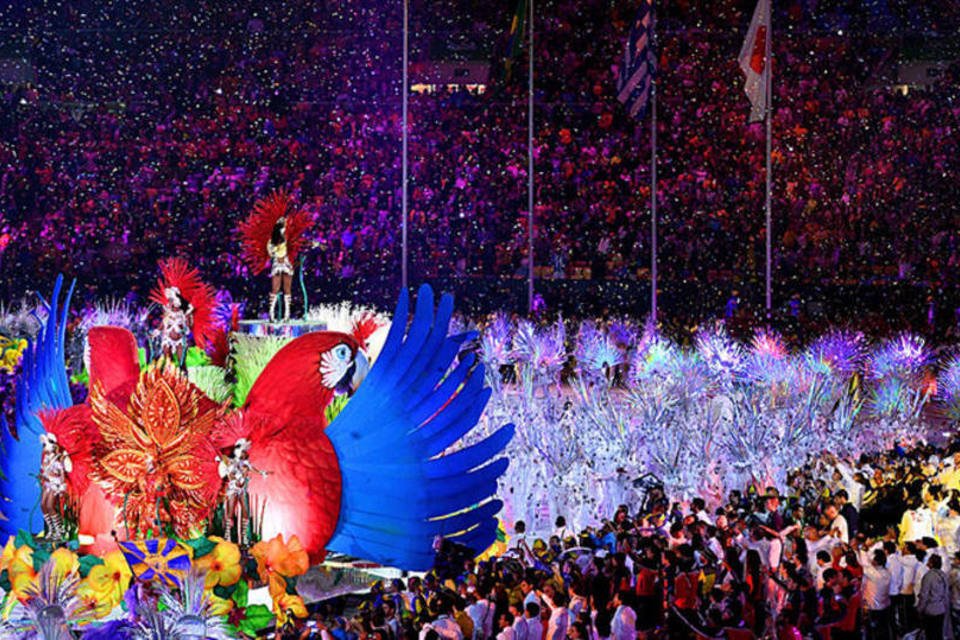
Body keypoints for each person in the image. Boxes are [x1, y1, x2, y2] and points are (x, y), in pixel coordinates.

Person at [217, 438, 268, 545]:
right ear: (238, 451)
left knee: (246, 512)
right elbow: (228, 474)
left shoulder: (245, 464)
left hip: (242, 491)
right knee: (230, 513)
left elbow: (253, 468)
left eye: (245, 451)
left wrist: (261, 473)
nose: (245, 453)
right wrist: (233, 478)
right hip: (233, 490)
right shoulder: (230, 462)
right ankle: (227, 535)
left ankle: (244, 537)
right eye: (243, 450)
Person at [39, 433, 71, 541]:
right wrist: (43, 476)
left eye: (46, 444)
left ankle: (59, 530)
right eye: (44, 445)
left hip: (55, 484)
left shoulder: (58, 458)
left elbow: (61, 473)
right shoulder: (46, 458)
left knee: (50, 506)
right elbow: (44, 470)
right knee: (43, 505)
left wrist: (57, 480)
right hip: (47, 483)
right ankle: (51, 529)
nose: (45, 447)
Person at [916, 554, 950, 640]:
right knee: (938, 633)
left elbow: (924, 596)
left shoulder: (928, 576)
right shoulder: (943, 575)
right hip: (941, 608)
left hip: (930, 610)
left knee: (930, 634)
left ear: (931, 563)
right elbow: (946, 593)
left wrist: (919, 609)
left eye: (929, 561)